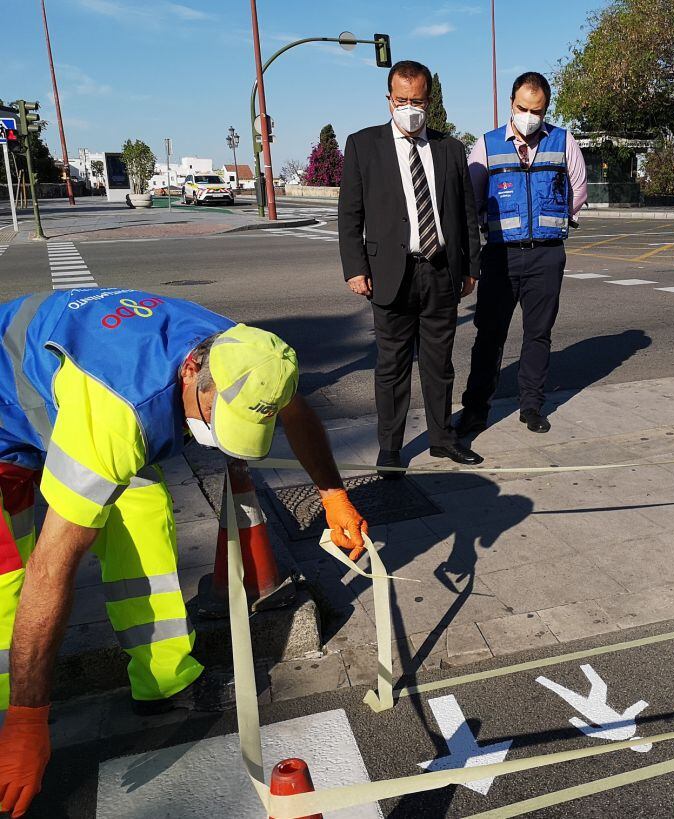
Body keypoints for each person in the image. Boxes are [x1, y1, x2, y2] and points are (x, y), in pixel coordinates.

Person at [0, 288, 368, 817]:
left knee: (144, 516)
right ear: (193, 369)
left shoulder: (250, 356)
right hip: (12, 415)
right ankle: (10, 715)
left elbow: (296, 410)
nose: (214, 438)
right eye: (213, 417)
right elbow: (52, 567)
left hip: (68, 398)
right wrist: (27, 716)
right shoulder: (120, 411)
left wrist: (332, 494)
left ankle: (163, 680)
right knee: (10, 570)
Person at [338, 60, 483, 475]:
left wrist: (471, 266)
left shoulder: (450, 149)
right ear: (389, 99)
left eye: (416, 101)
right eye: (401, 100)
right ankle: (390, 449)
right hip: (390, 274)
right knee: (392, 367)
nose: (409, 108)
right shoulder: (363, 145)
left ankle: (442, 439)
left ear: (428, 101)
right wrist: (355, 268)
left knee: (440, 364)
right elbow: (350, 214)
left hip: (440, 270)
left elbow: (466, 213)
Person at [456, 72, 588, 436]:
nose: (529, 116)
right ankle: (475, 410)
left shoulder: (563, 141)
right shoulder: (487, 145)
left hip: (547, 255)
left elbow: (578, 188)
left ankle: (531, 406)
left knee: (538, 335)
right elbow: (471, 197)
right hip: (500, 256)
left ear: (546, 109)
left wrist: (557, 219)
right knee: (489, 335)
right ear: (511, 104)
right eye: (522, 108)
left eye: (537, 110)